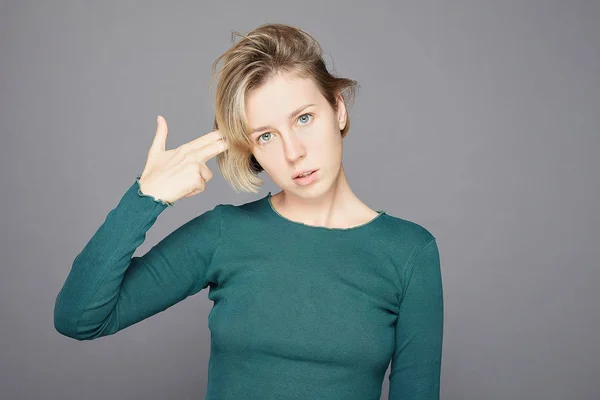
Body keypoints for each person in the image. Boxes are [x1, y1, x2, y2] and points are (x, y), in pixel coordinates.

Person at [54, 22, 444, 400]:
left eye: (304, 118)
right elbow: (79, 318)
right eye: (266, 136)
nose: (293, 153)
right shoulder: (225, 233)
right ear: (251, 149)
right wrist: (146, 196)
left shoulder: (409, 251)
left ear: (338, 110)